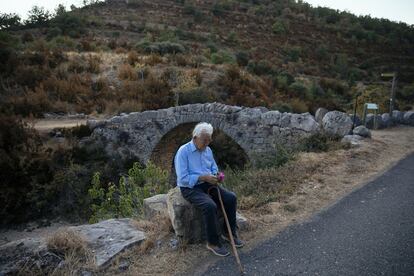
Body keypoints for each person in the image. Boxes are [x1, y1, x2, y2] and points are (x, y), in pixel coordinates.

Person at [174, 122, 244, 257]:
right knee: (209, 205)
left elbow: (213, 168)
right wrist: (203, 177)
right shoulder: (183, 151)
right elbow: (182, 178)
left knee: (231, 198)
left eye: (209, 140)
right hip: (190, 187)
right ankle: (212, 242)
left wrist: (217, 176)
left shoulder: (208, 150)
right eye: (204, 140)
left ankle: (228, 233)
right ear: (195, 137)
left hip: (208, 183)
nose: (207, 143)